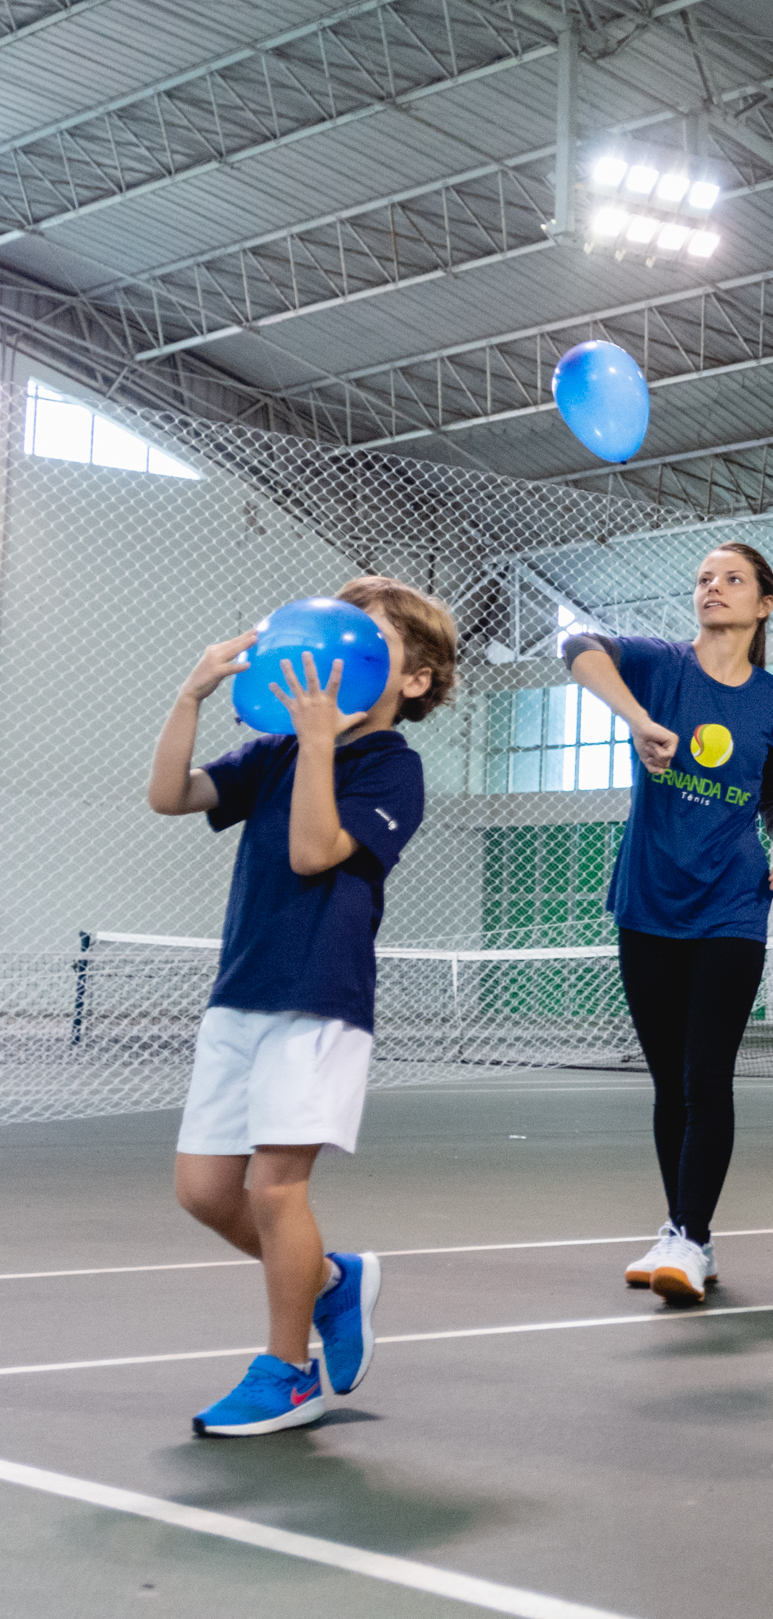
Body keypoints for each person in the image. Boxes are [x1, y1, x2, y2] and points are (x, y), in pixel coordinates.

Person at [148, 577, 458, 1437]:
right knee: (205, 1189)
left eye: (367, 635)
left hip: (319, 998)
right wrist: (191, 693)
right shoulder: (280, 749)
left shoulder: (392, 766)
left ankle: (289, 1373)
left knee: (276, 1188)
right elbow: (171, 795)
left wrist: (320, 743)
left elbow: (316, 850)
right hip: (240, 989)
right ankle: (331, 1279)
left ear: (416, 679)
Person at [563, 543, 773, 1307]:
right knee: (669, 1083)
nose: (714, 588)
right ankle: (687, 1236)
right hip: (647, 902)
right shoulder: (661, 665)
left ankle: (685, 1233)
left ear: (763, 603)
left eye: (732, 579)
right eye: (704, 578)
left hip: (732, 907)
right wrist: (638, 720)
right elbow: (575, 645)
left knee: (707, 1076)